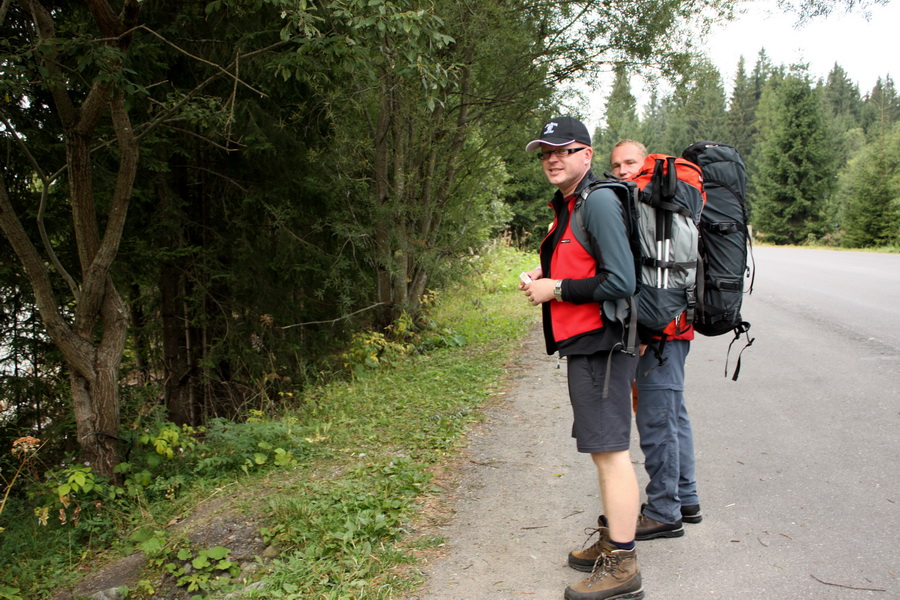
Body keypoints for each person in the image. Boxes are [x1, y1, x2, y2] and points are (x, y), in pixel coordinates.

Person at [520, 117, 644, 600]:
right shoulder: (572, 204)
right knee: (602, 450)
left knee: (611, 453)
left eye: (563, 150)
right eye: (545, 152)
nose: (552, 158)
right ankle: (615, 538)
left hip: (605, 344)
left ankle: (623, 565)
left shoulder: (599, 203)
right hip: (588, 343)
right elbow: (583, 261)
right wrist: (543, 272)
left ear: (586, 156)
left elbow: (621, 281)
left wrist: (558, 289)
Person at [609, 139, 703, 539]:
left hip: (660, 331)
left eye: (630, 162)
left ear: (646, 161)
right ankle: (686, 497)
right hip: (677, 325)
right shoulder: (663, 202)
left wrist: (643, 329)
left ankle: (664, 511)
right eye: (615, 166)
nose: (622, 171)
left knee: (656, 419)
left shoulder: (651, 201)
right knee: (673, 413)